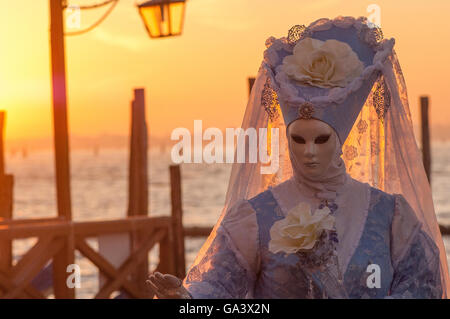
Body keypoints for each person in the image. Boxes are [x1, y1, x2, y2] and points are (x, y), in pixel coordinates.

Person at [146, 16, 450, 299]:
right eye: (298, 139)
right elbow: (220, 289)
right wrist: (187, 299)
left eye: (321, 139)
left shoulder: (390, 216)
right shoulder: (254, 218)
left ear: (340, 140)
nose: (308, 151)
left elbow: (423, 286)